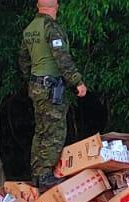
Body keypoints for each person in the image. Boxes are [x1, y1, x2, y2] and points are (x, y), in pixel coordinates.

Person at [19, 0, 86, 189]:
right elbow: (62, 58)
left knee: (41, 130)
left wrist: (32, 81)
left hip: (36, 86)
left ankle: (37, 174)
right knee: (55, 131)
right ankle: (46, 176)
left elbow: (23, 60)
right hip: (50, 87)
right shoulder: (51, 28)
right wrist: (77, 82)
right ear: (55, 6)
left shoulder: (30, 29)